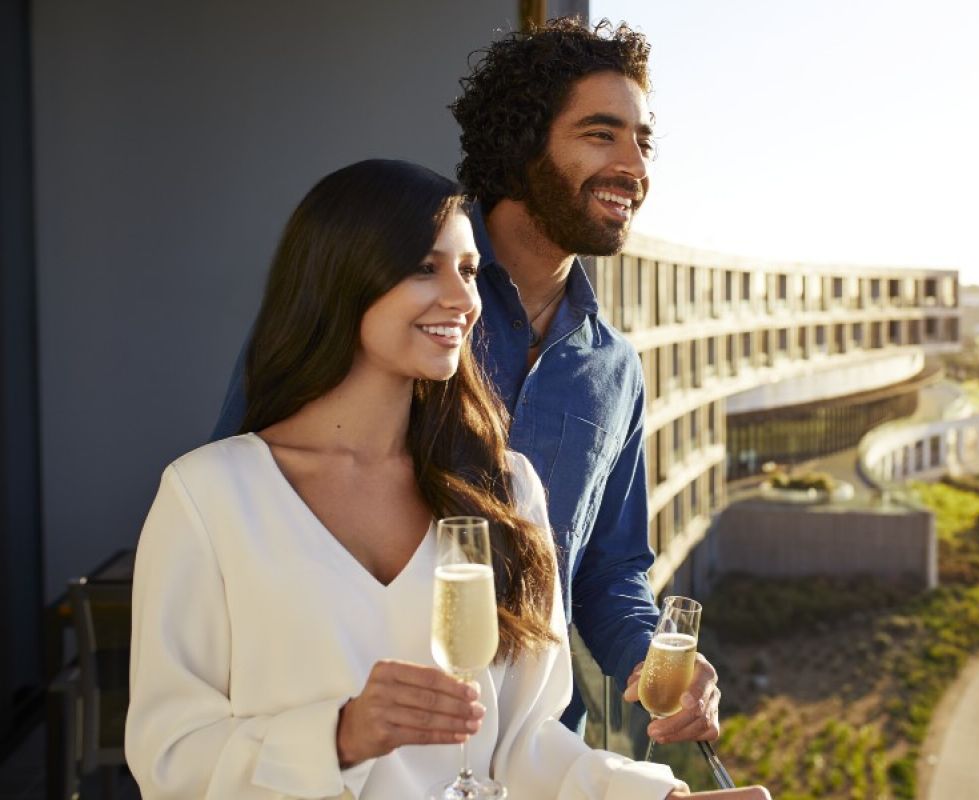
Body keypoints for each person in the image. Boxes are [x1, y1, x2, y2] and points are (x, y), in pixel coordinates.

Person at [126, 159, 768, 799]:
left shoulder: (507, 488)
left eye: (467, 270)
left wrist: (662, 798)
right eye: (424, 268)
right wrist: (338, 737)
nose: (464, 300)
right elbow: (169, 757)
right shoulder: (209, 496)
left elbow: (524, 744)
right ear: (340, 275)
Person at [212, 17, 720, 746]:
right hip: (351, 748)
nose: (634, 167)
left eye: (642, 142)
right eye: (601, 134)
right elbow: (245, 506)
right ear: (522, 147)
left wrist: (652, 658)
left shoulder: (613, 368)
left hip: (528, 755)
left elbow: (608, 572)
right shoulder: (383, 297)